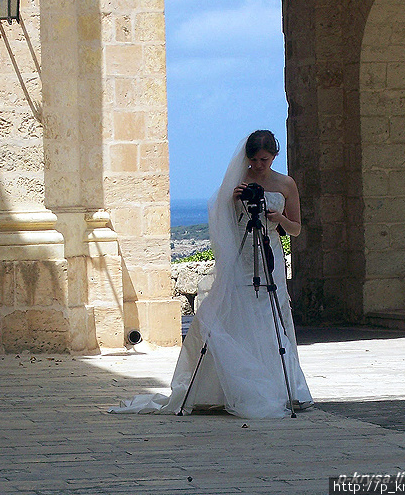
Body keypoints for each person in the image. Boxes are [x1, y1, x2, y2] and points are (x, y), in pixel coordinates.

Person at [110, 130, 313, 418]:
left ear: (274, 156)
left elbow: (296, 228)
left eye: (264, 160)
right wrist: (232, 200)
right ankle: (228, 385)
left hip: (270, 254)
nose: (258, 165)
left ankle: (281, 386)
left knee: (271, 312)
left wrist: (279, 219)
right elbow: (221, 218)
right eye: (253, 160)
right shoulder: (240, 181)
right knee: (236, 310)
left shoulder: (286, 184)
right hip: (242, 256)